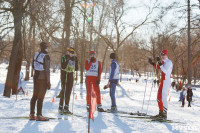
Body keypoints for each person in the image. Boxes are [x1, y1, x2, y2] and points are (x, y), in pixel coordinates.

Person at [148, 49, 173, 120]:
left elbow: (165, 70)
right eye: (161, 55)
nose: (162, 56)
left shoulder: (169, 62)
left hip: (166, 81)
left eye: (164, 55)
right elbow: (159, 67)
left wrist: (159, 62)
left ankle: (164, 115)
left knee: (164, 98)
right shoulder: (163, 62)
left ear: (166, 55)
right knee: (159, 97)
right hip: (162, 81)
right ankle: (161, 113)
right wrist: (152, 63)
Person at [30, 42, 51, 121]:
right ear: (45, 47)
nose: (47, 48)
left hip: (36, 77)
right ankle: (39, 115)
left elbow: (33, 65)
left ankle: (32, 114)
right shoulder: (46, 56)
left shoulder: (36, 54)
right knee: (40, 97)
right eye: (46, 47)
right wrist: (48, 82)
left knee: (34, 95)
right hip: (43, 78)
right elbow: (47, 70)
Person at [58, 48, 78, 114]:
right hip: (64, 74)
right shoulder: (63, 57)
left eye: (72, 53)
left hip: (70, 74)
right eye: (70, 52)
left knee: (68, 91)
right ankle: (60, 107)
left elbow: (76, 68)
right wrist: (68, 59)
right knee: (63, 90)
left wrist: (76, 61)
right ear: (67, 52)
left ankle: (66, 107)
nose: (71, 54)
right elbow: (63, 66)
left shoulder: (74, 58)